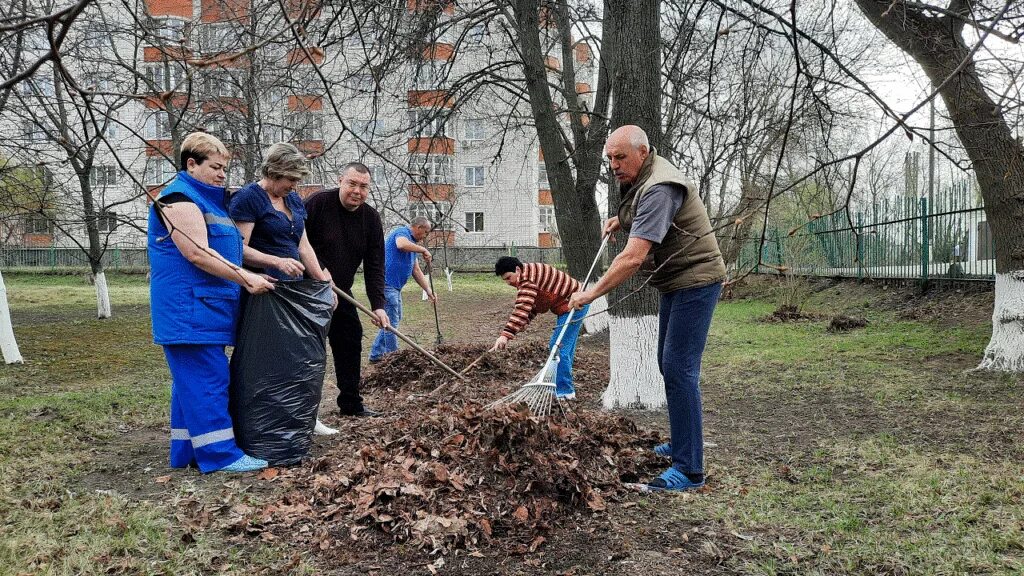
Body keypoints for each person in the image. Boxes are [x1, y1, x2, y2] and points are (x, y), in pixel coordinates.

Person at [569, 125, 726, 491]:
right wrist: (619, 220)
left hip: (696, 281)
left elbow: (633, 258)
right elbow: (642, 215)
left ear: (642, 152)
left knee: (678, 368)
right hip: (678, 280)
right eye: (609, 158)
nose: (614, 165)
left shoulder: (659, 187)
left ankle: (689, 469)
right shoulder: (649, 176)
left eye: (620, 157)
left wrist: (591, 294)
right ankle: (683, 442)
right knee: (667, 363)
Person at [147, 132, 275, 474]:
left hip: (204, 309)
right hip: (188, 311)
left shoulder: (207, 201)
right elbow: (198, 254)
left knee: (191, 383)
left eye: (225, 168)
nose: (222, 174)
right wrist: (246, 278)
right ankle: (221, 455)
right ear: (192, 164)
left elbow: (227, 247)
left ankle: (186, 451)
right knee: (209, 380)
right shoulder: (178, 199)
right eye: (215, 167)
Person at [228, 142, 339, 436]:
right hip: (265, 292)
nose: (293, 185)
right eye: (290, 179)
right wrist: (276, 261)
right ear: (273, 172)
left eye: (297, 181)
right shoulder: (249, 198)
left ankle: (303, 417)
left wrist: (324, 282)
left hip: (296, 292)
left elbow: (303, 246)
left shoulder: (294, 201)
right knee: (268, 361)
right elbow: (236, 250)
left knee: (301, 357)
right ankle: (263, 423)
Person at [304, 162, 390, 417]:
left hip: (342, 292)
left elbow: (375, 265)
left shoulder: (371, 219)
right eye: (352, 183)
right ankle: (305, 411)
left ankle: (351, 404)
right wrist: (319, 271)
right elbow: (295, 243)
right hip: (308, 291)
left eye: (363, 186)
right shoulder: (318, 204)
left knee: (351, 339)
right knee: (310, 350)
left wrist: (378, 305)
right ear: (340, 180)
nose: (357, 191)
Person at [491, 257, 589, 400]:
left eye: (508, 277)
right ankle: (559, 386)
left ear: (517, 270)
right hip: (571, 305)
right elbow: (535, 305)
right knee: (564, 349)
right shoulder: (529, 274)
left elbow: (522, 307)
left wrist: (505, 335)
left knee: (558, 348)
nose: (508, 283)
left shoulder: (527, 279)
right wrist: (524, 322)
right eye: (505, 280)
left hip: (575, 305)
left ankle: (565, 391)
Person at [368, 216, 436, 363]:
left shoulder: (412, 245)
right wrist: (423, 249)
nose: (425, 237)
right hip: (386, 285)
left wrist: (428, 290)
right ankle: (393, 357)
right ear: (418, 228)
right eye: (425, 233)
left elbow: (416, 270)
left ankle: (376, 354)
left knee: (393, 319)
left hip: (395, 287)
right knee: (391, 322)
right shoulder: (402, 233)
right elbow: (400, 245)